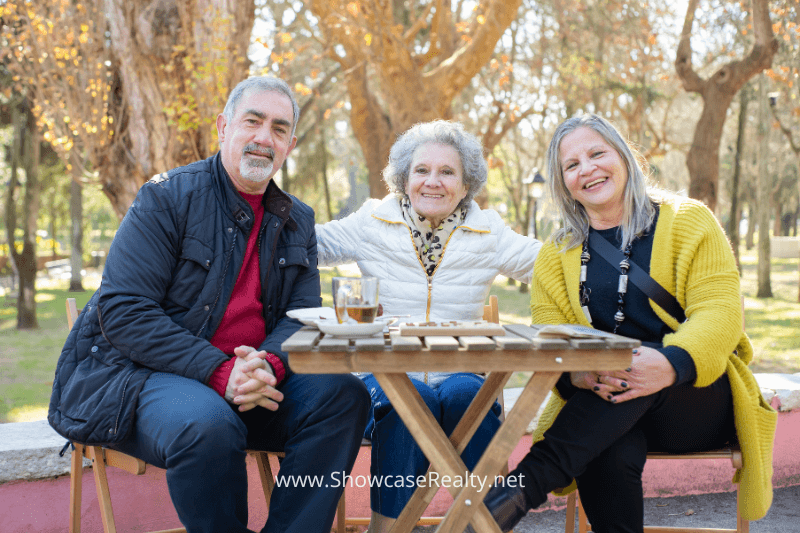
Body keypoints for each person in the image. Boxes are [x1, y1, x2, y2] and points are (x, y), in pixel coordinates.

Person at [48, 76, 370, 533]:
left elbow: (302, 319)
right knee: (208, 424)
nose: (264, 137)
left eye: (279, 129)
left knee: (344, 396)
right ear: (223, 127)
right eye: (252, 122)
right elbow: (123, 311)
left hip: (248, 382)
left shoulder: (297, 219)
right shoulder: (166, 198)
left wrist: (268, 367)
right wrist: (221, 372)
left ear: (290, 145)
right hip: (145, 379)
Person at [480, 114, 777, 533]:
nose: (588, 169)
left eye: (597, 153)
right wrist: (579, 374)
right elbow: (552, 338)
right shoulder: (556, 253)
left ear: (624, 156)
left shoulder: (688, 220)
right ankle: (506, 502)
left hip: (693, 398)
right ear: (562, 181)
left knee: (630, 373)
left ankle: (517, 493)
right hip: (604, 406)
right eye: (572, 164)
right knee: (609, 449)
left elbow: (720, 314)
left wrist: (669, 362)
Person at [315, 120, 542, 532]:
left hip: (461, 370)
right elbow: (307, 246)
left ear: (465, 182)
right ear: (404, 177)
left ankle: (481, 524)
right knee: (407, 399)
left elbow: (550, 265)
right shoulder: (371, 221)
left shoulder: (489, 231)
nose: (432, 182)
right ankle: (387, 529)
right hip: (380, 378)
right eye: (422, 170)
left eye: (447, 172)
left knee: (467, 395)